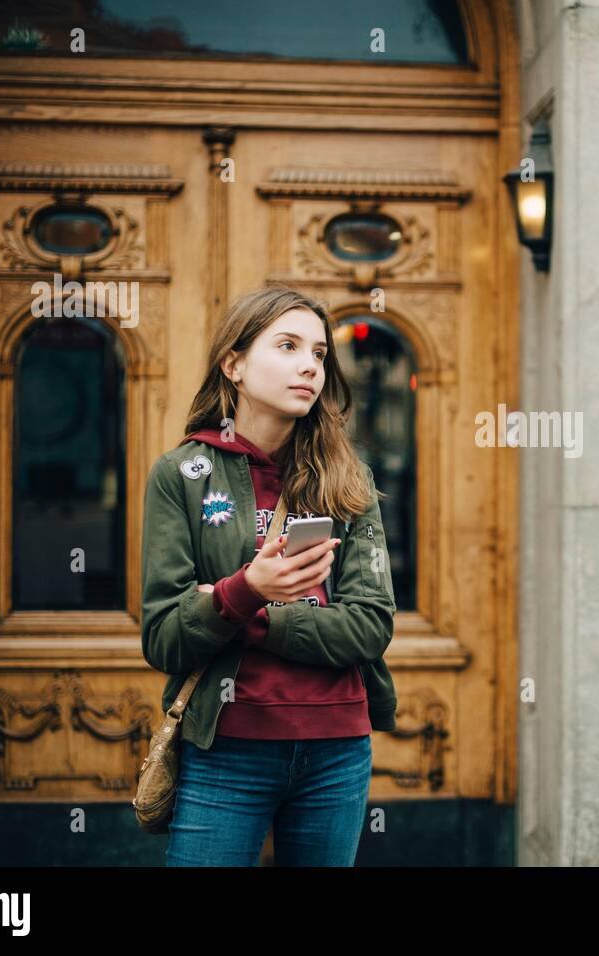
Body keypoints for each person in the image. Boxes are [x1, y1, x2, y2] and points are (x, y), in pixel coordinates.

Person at [139, 286, 398, 866]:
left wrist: (242, 605)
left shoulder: (347, 479)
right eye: (287, 346)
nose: (310, 364)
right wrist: (251, 588)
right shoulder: (183, 474)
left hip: (337, 749)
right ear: (233, 364)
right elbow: (162, 636)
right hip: (227, 747)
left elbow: (371, 625)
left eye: (320, 354)